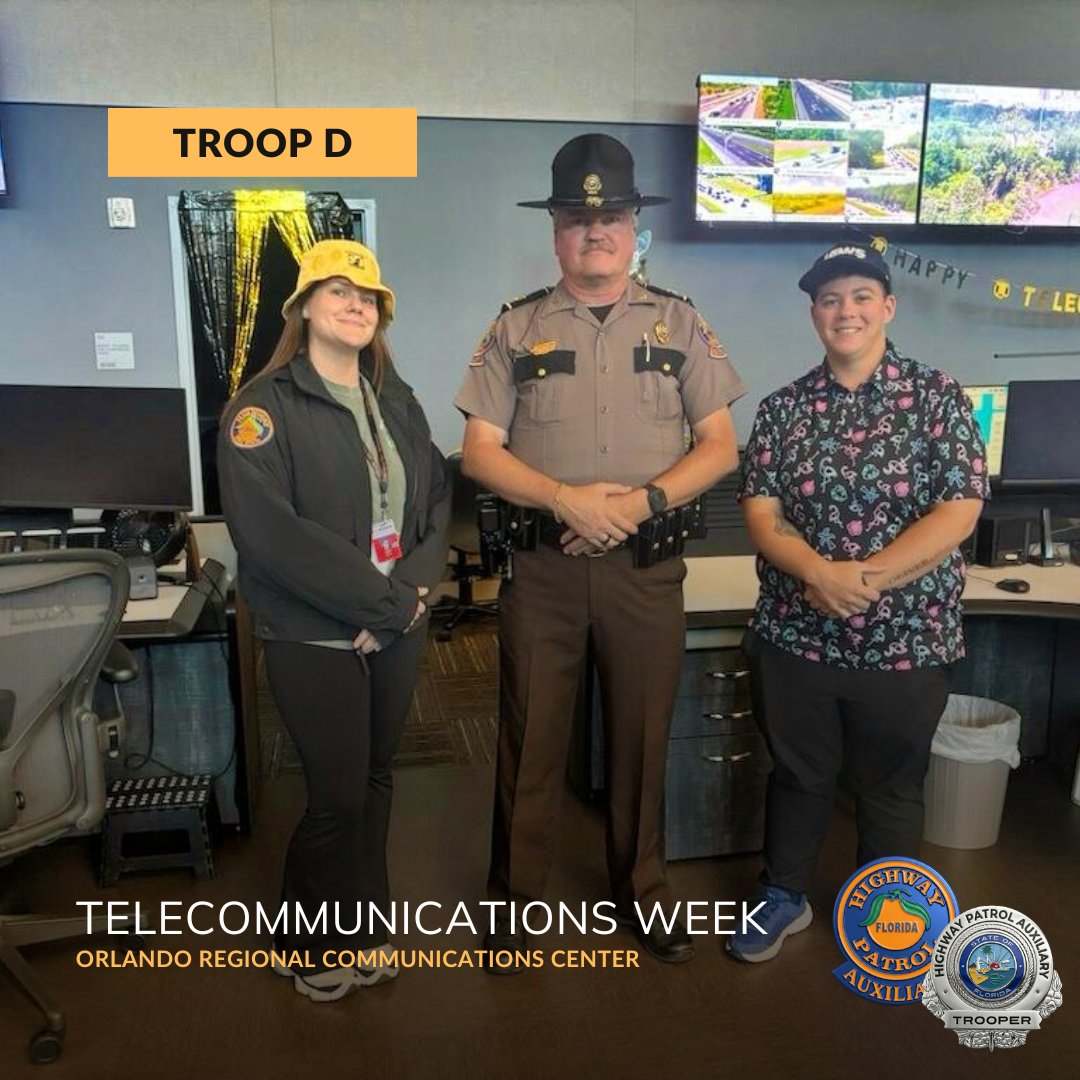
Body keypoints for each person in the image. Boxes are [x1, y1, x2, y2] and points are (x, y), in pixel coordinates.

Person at [454, 133, 744, 966]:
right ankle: (516, 899)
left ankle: (642, 892)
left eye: (610, 215)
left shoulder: (681, 321)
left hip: (645, 572)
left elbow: (719, 445)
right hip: (544, 571)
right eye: (577, 217)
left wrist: (640, 503)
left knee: (641, 736)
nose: (595, 230)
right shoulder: (515, 327)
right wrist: (565, 498)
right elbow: (480, 450)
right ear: (554, 229)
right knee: (530, 736)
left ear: (632, 226)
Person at [727, 243, 988, 963]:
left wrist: (864, 578)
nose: (845, 310)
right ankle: (783, 897)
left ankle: (888, 913)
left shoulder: (937, 396)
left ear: (888, 307)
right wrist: (816, 572)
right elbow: (761, 513)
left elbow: (959, 509)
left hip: (906, 636)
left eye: (860, 296)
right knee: (800, 774)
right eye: (830, 299)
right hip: (796, 637)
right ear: (814, 313)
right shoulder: (784, 409)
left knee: (890, 786)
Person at [218, 239, 450, 1000]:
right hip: (316, 632)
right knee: (337, 794)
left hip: (393, 624)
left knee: (377, 779)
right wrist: (382, 606)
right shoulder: (260, 410)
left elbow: (434, 505)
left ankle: (364, 927)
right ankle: (304, 942)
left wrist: (409, 598)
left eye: (369, 296)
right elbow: (273, 536)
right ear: (304, 306)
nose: (356, 304)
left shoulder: (399, 399)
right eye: (339, 290)